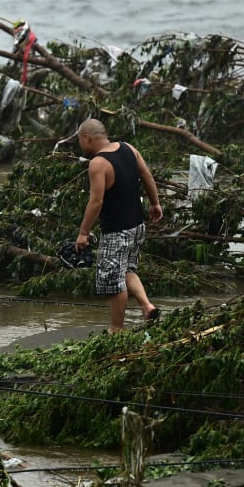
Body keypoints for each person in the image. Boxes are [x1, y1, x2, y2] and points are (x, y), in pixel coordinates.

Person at [74, 119, 163, 332]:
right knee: (127, 270)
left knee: (114, 283)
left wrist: (83, 233)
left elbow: (96, 202)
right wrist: (155, 203)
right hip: (136, 226)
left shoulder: (98, 163)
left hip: (116, 231)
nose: (80, 144)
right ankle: (147, 306)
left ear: (87, 137)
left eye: (79, 140)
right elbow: (147, 176)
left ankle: (117, 330)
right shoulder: (129, 148)